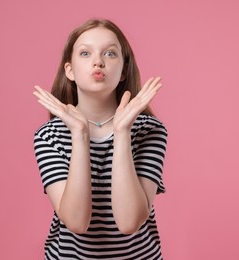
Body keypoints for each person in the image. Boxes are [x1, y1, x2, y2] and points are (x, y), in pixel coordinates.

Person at [33, 18, 168, 260]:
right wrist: (80, 134)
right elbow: (76, 222)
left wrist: (122, 133)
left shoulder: (149, 130)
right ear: (70, 70)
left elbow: (129, 223)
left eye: (110, 53)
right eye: (85, 53)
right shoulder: (49, 135)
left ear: (124, 70)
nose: (98, 61)